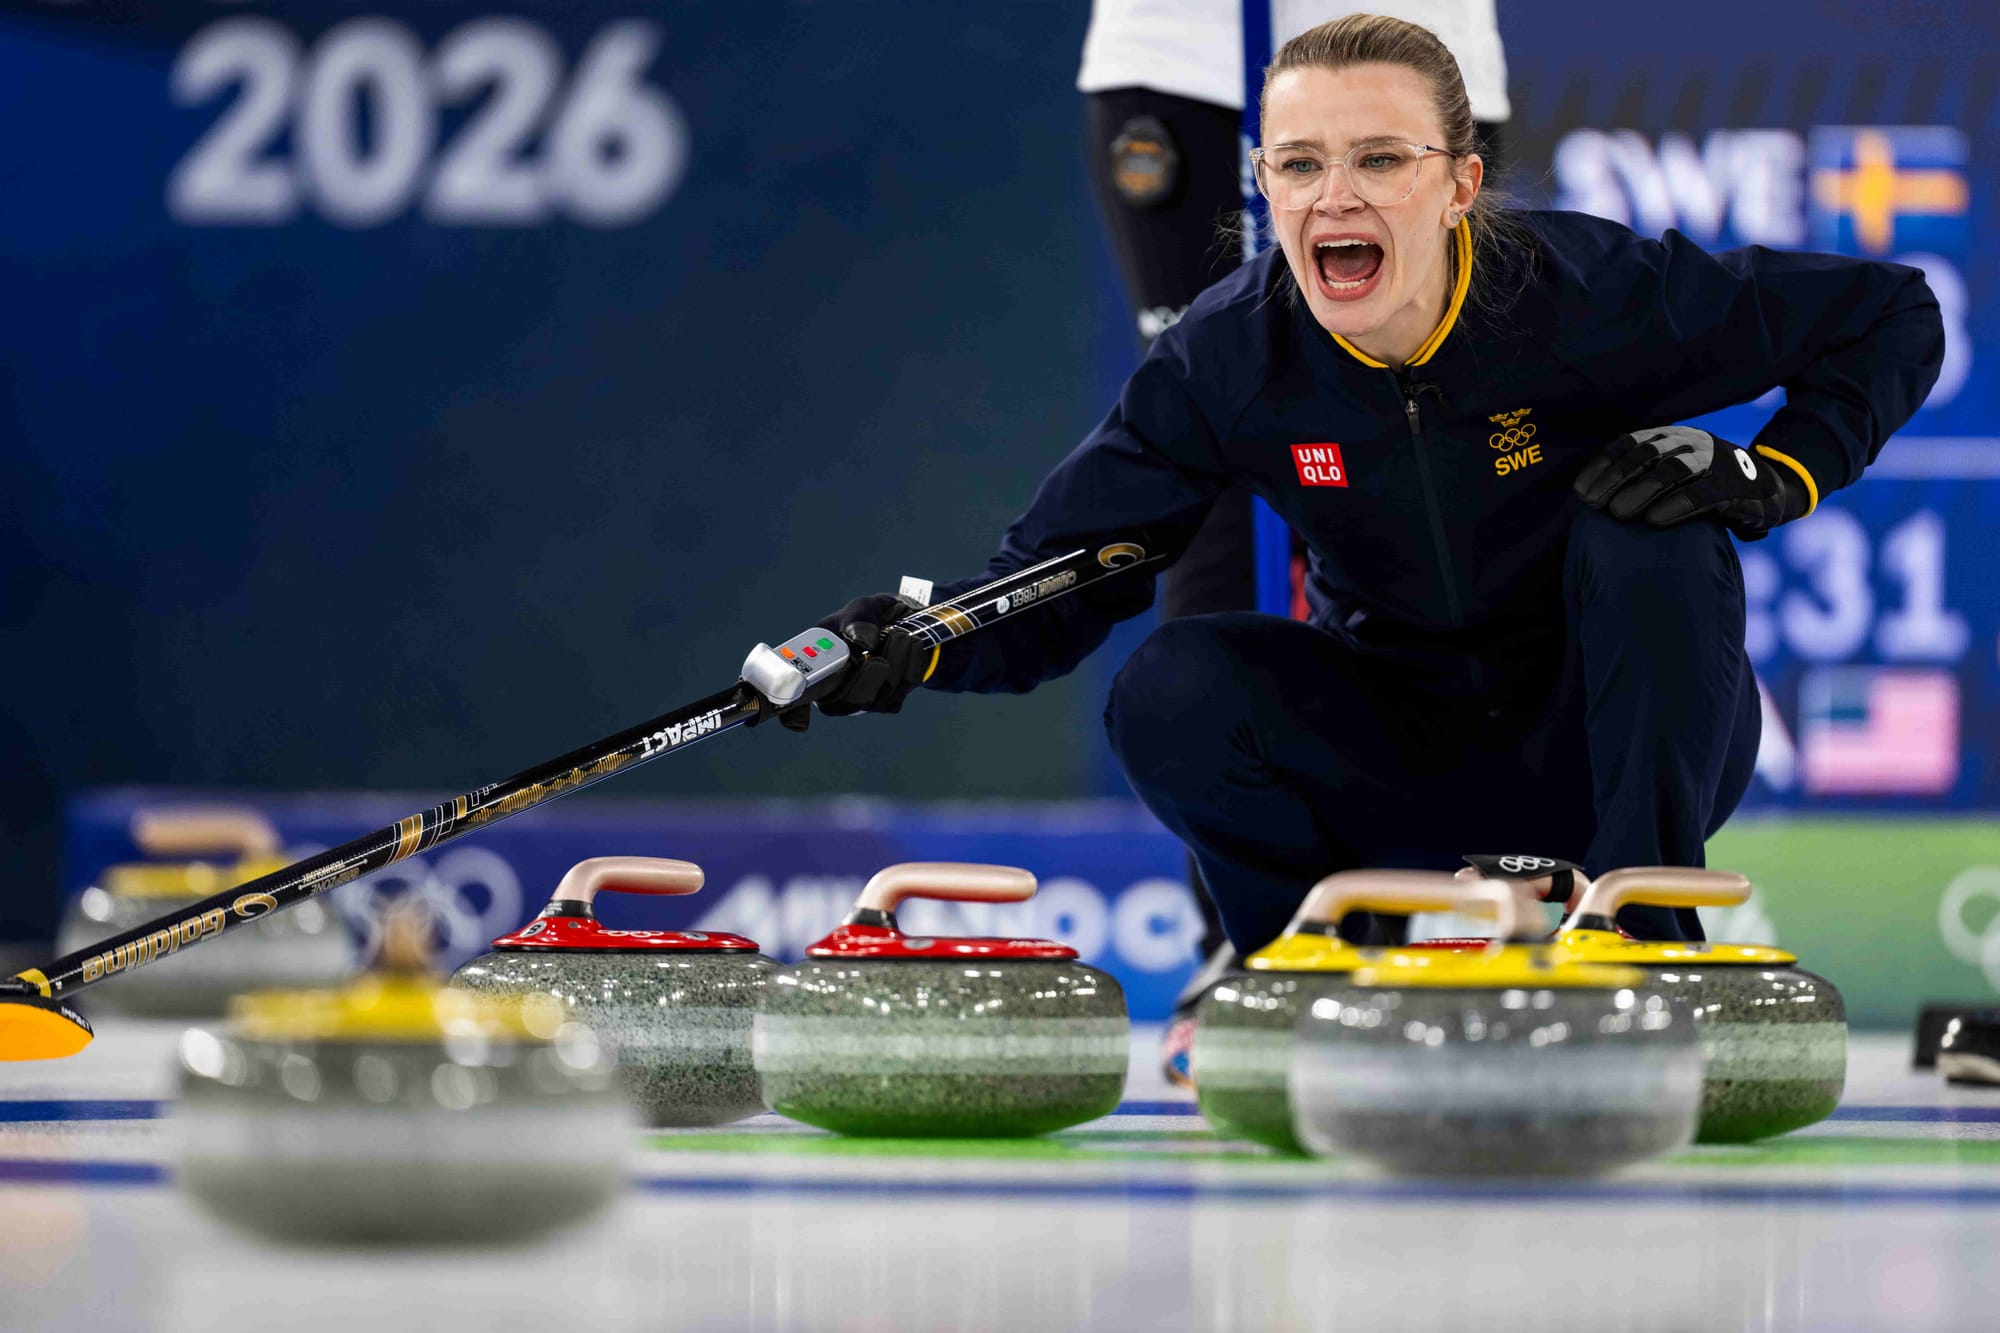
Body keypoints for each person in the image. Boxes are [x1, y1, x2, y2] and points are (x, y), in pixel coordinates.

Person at [814, 16, 1941, 971]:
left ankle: (1641, 933)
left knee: (1653, 525)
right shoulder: (1226, 358)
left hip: (1612, 756)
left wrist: (1768, 474)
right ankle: (1306, 965)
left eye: (1380, 160)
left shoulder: (1585, 294)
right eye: (1300, 164)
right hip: (1396, 763)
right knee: (1171, 684)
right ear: (1262, 184)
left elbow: (1889, 313)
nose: (1334, 197)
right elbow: (1059, 575)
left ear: (1460, 185)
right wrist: (914, 640)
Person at [1079, 2, 1512, 1082]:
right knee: (1225, 463)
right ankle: (1256, 937)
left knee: (1424, 466)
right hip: (1187, 61)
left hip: (1429, 60)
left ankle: (1424, 903)